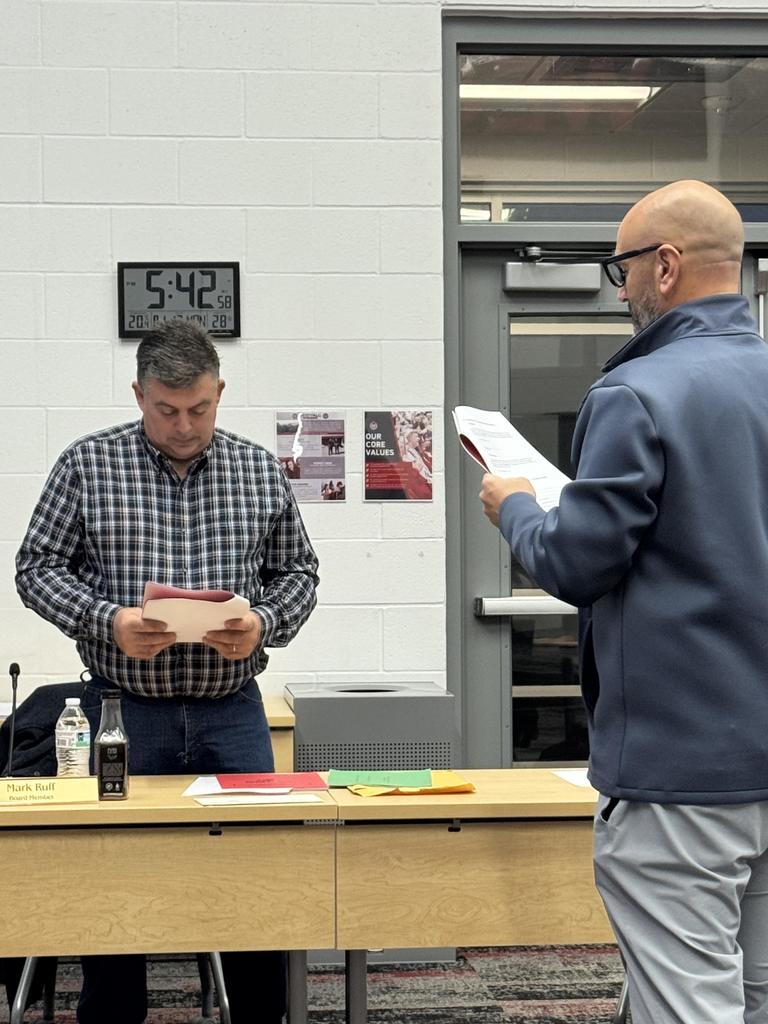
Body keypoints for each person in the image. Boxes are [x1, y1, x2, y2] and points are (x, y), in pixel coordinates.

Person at [478, 180, 768, 1024]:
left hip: (681, 775)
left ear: (666, 268)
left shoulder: (636, 394)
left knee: (687, 1004)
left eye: (623, 267)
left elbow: (575, 563)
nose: (620, 288)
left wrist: (519, 508)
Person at [16, 319, 319, 1024]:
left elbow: (299, 574)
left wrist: (263, 626)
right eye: (165, 410)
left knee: (256, 879)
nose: (184, 425)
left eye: (200, 409)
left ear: (220, 392)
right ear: (138, 394)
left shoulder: (257, 468)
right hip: (123, 710)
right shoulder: (87, 465)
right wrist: (109, 621)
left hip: (233, 708)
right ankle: (115, 1012)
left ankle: (259, 1014)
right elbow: (35, 570)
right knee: (115, 877)